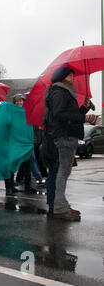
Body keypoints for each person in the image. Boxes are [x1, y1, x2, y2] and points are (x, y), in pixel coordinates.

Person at [44, 66, 94, 221]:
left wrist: (83, 110)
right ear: (62, 77)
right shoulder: (59, 91)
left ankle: (62, 205)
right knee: (63, 172)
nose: (73, 77)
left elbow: (70, 115)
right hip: (65, 136)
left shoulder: (64, 92)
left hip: (68, 135)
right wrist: (83, 118)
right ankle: (60, 207)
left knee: (64, 172)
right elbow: (60, 115)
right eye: (70, 75)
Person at [13, 94, 38, 195]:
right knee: (13, 165)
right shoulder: (13, 113)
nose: (19, 103)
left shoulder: (27, 113)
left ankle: (28, 186)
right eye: (17, 101)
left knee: (27, 165)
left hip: (26, 143)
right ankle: (10, 186)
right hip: (16, 143)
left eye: (21, 101)